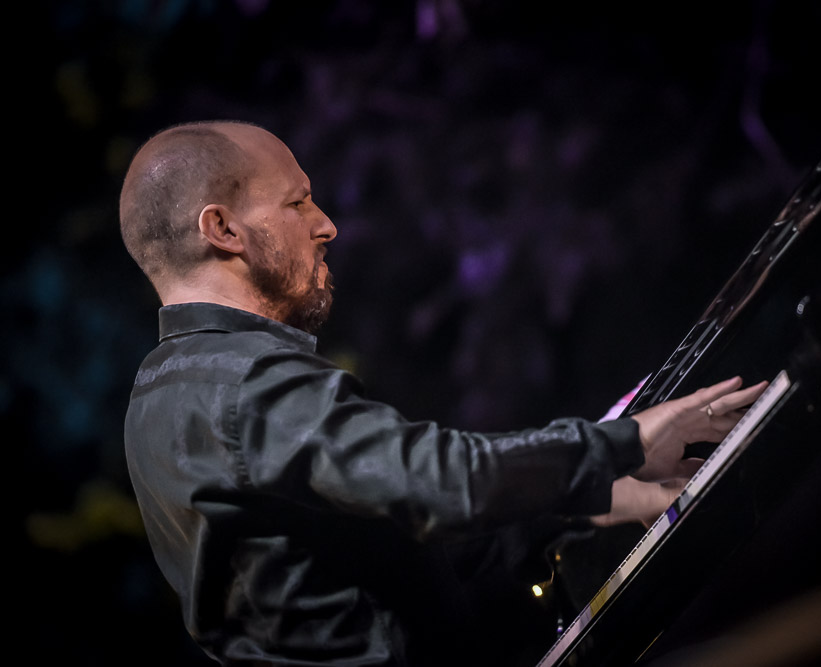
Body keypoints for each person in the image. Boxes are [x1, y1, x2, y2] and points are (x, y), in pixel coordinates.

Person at [119, 120, 767, 666]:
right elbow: (436, 479)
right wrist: (621, 445)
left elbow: (380, 555)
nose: (326, 225)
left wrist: (588, 502)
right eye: (297, 202)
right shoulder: (247, 383)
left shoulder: (159, 395)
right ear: (223, 229)